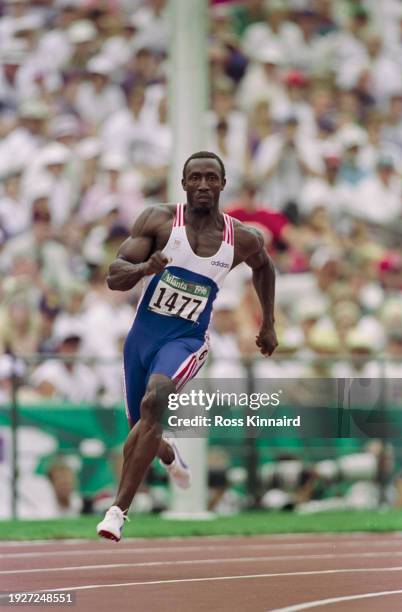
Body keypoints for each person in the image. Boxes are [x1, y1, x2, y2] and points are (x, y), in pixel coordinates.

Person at [97, 150, 278, 541]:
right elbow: (114, 276)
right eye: (194, 177)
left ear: (223, 184)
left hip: (187, 339)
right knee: (142, 427)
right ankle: (167, 452)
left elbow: (264, 266)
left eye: (211, 178)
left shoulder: (240, 238)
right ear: (183, 184)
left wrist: (269, 324)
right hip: (142, 338)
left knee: (153, 401)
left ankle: (118, 511)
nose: (203, 185)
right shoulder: (159, 220)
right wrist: (145, 269)